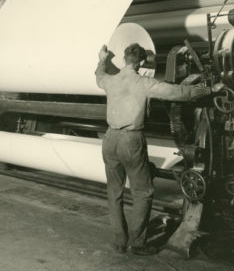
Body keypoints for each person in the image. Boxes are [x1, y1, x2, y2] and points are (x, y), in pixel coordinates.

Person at [95, 43, 222, 256]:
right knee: (143, 192)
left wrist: (102, 59)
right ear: (142, 62)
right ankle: (137, 243)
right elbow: (179, 93)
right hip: (130, 141)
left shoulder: (111, 80)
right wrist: (208, 89)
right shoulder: (144, 82)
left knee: (114, 190)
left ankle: (119, 241)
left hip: (109, 139)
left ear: (125, 59)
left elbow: (99, 75)